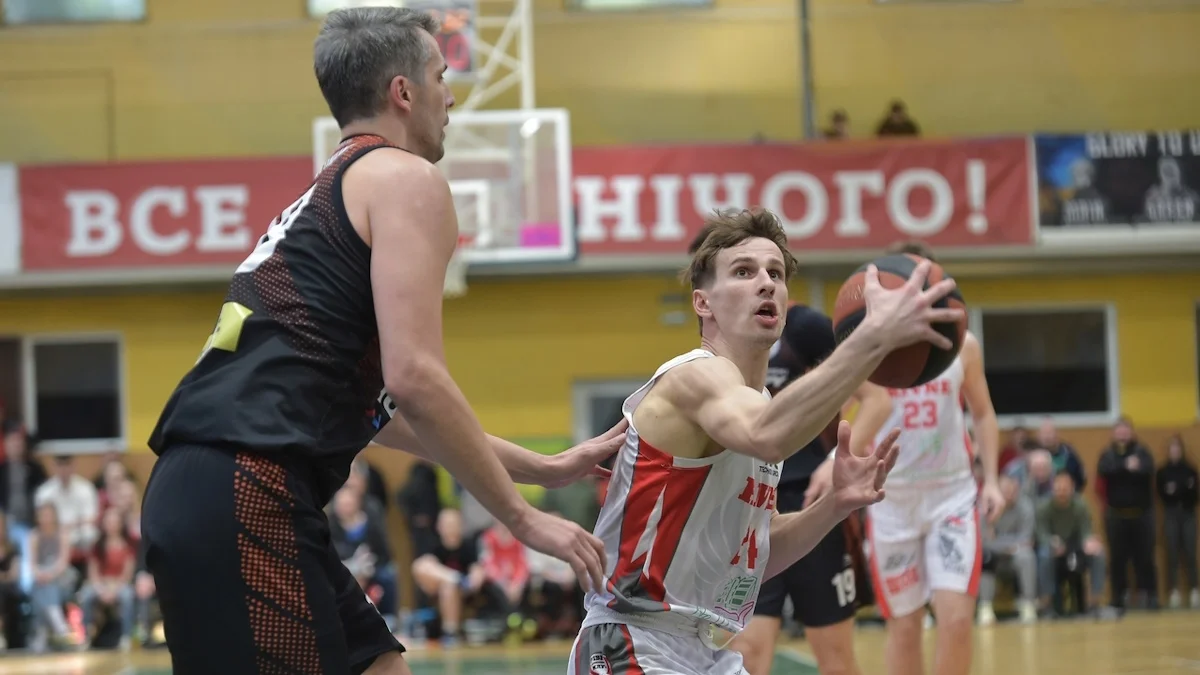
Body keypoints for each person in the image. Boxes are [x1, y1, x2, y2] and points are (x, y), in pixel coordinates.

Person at [140, 8, 624, 675]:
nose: (450, 96)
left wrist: (546, 467)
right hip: (247, 488)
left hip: (212, 485)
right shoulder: (404, 178)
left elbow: (386, 417)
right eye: (441, 76)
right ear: (403, 92)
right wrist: (523, 518)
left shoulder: (330, 191)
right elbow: (415, 379)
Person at [565, 209, 963, 675]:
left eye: (775, 273)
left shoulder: (761, 403)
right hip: (629, 639)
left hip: (700, 647)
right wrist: (870, 338)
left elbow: (758, 548)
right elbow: (767, 435)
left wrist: (834, 504)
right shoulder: (695, 376)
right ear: (703, 303)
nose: (766, 283)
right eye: (743, 271)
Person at [854, 241, 1004, 675]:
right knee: (905, 627)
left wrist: (993, 481)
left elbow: (983, 412)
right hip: (892, 501)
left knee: (955, 621)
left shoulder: (963, 345)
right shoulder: (868, 346)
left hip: (951, 497)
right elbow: (843, 409)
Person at [728, 302, 892, 675]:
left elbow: (877, 400)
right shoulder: (725, 339)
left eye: (771, 274)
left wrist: (833, 461)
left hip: (812, 504)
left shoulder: (803, 327)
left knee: (835, 658)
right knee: (747, 654)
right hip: (751, 508)